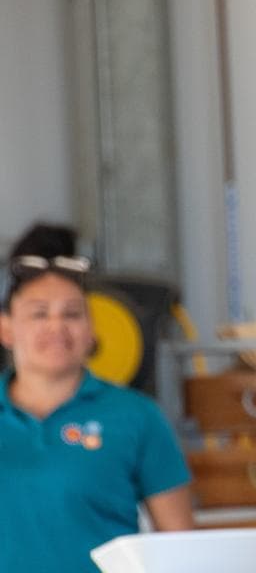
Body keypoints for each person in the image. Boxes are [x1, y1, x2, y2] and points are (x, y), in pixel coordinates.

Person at [0, 224, 193, 573]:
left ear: (91, 329)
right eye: (39, 313)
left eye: (72, 313)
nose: (56, 327)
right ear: (6, 329)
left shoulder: (138, 416)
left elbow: (180, 550)